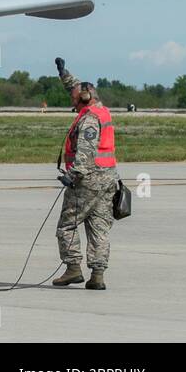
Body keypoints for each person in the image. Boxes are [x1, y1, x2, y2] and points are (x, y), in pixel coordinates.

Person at [51, 57, 119, 291]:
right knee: (99, 227)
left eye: (74, 97)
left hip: (87, 180)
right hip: (107, 181)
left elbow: (86, 149)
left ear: (85, 97)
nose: (72, 99)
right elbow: (77, 87)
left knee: (67, 225)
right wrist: (64, 74)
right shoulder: (100, 110)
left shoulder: (89, 118)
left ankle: (72, 269)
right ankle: (97, 275)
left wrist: (74, 174)